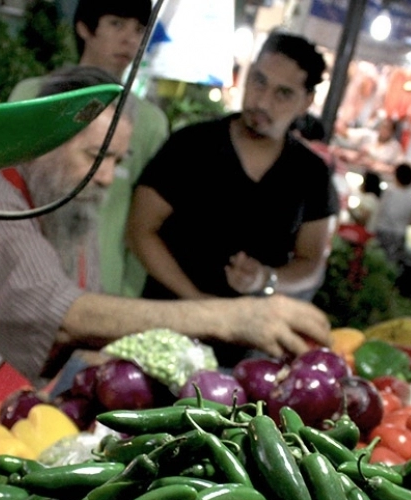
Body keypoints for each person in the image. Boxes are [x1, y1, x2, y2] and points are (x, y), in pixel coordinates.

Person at [0, 67, 331, 422]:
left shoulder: (68, 207)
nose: (106, 178)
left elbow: (83, 332)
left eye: (118, 161)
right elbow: (64, 316)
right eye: (96, 156)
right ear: (45, 140)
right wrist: (228, 317)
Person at [126, 31, 338, 366]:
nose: (262, 101)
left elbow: (311, 262)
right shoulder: (190, 145)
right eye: (259, 81)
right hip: (164, 329)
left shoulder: (311, 173)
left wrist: (265, 278)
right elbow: (140, 230)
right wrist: (198, 303)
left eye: (283, 94)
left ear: (306, 102)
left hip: (251, 352)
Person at [9, 0, 169, 298]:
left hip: (102, 285)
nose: (129, 39)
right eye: (116, 24)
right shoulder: (32, 95)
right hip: (22, 270)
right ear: (84, 27)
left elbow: (143, 220)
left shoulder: (149, 124)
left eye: (139, 29)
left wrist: (127, 298)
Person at [371, 162, 411, 267]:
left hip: (383, 231)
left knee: (376, 264)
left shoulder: (389, 192)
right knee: (391, 266)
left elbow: (378, 213)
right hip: (399, 235)